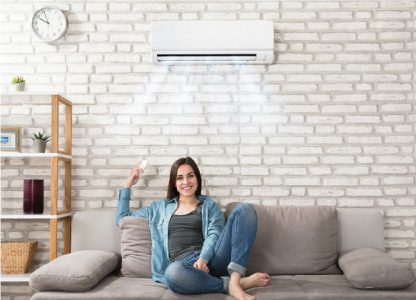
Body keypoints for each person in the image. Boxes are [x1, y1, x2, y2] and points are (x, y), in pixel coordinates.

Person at [116, 157, 270, 300]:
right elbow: (122, 219)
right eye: (180, 178)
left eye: (190, 176)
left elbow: (214, 234)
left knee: (245, 209)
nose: (186, 182)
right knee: (172, 273)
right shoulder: (159, 207)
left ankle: (235, 280)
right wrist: (128, 185)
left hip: (213, 259)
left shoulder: (209, 205)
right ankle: (233, 285)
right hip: (184, 267)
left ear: (197, 178)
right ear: (174, 183)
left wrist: (203, 259)